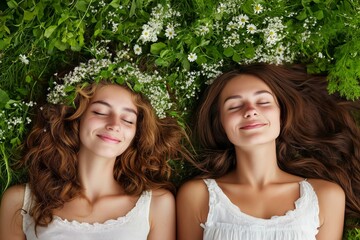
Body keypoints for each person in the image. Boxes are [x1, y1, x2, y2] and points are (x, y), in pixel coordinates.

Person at [176, 63, 360, 240]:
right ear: (221, 123)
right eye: (234, 106)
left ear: (281, 115)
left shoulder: (325, 196)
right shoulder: (198, 196)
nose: (251, 111)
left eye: (263, 102)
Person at [0, 80, 190, 240]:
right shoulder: (20, 202)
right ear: (76, 117)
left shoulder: (156, 205)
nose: (114, 125)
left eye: (128, 120)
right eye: (100, 112)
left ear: (136, 133)